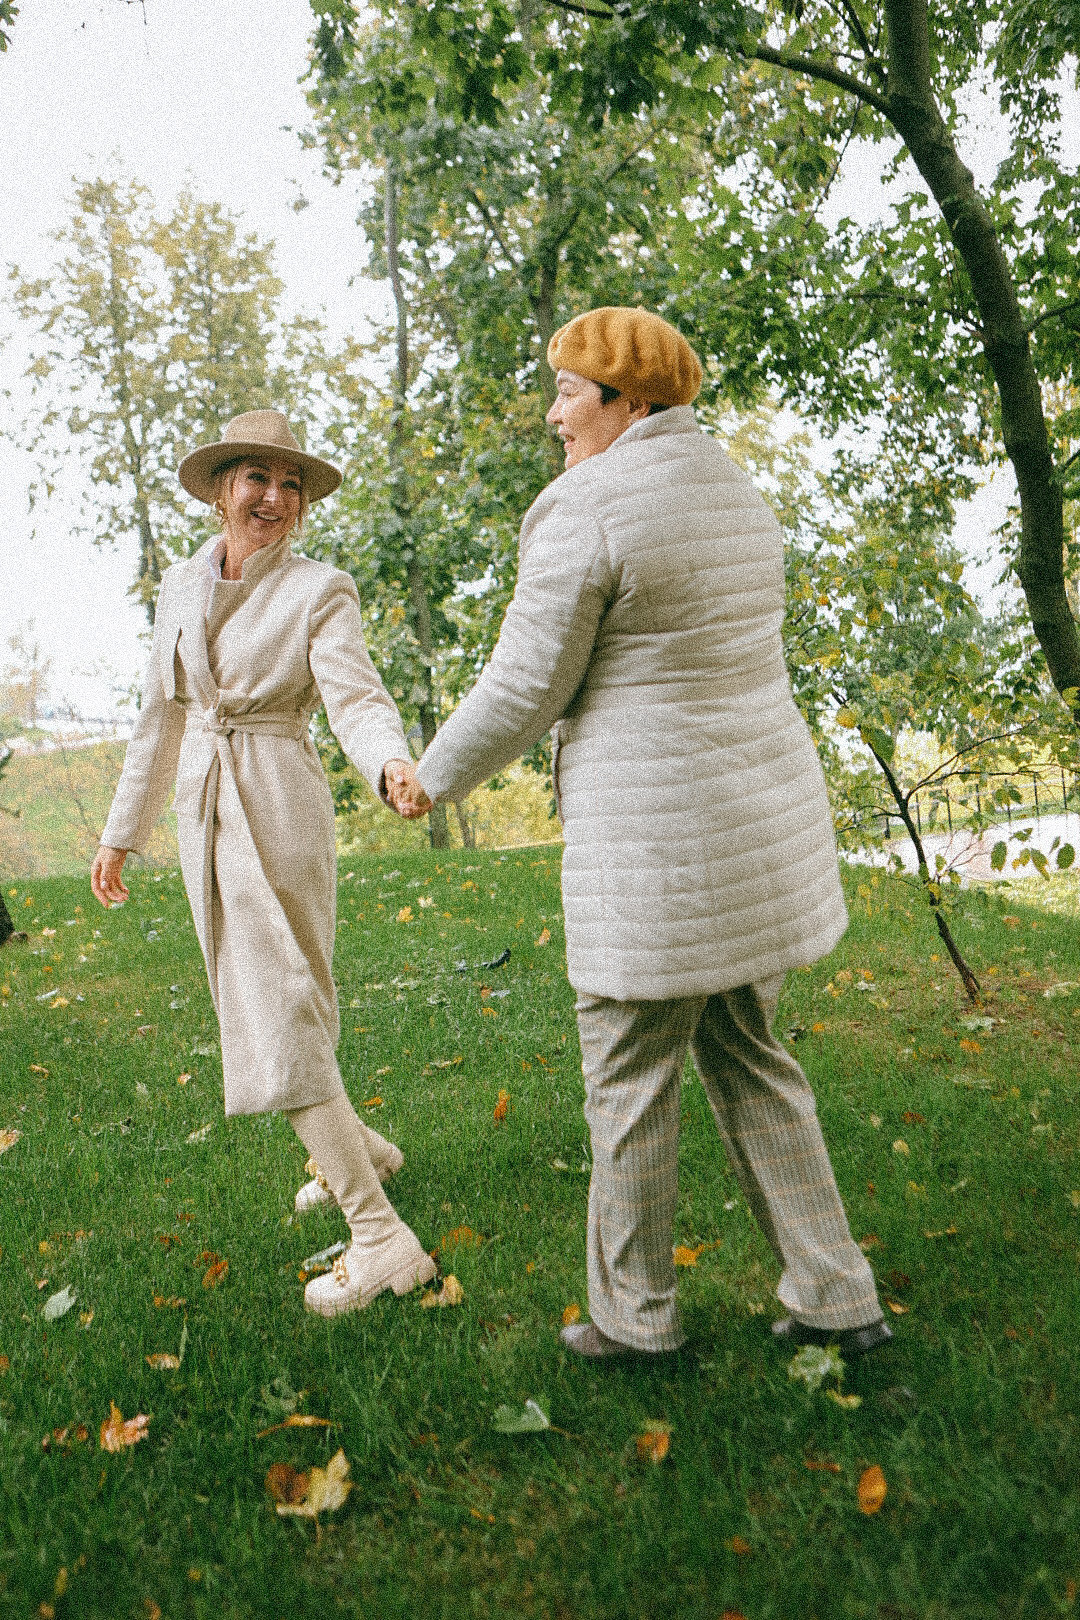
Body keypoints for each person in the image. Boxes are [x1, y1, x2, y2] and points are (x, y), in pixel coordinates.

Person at [389, 307, 889, 1359]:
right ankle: (839, 1296)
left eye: (570, 392)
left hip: (655, 854)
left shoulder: (590, 505)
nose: (554, 414)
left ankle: (635, 1318)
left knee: (627, 1081)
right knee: (754, 1059)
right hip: (754, 837)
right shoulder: (736, 491)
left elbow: (526, 683)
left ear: (629, 400)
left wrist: (431, 776)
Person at [91, 409, 436, 1318]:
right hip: (203, 804)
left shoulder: (321, 589)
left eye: (291, 484)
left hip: (279, 801)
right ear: (219, 490)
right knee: (271, 997)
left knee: (286, 999)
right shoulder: (180, 585)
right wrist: (121, 831)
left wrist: (389, 762)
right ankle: (363, 1154)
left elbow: (356, 698)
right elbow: (160, 716)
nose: (274, 497)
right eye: (256, 477)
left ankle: (381, 1238)